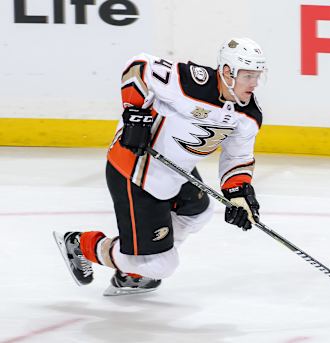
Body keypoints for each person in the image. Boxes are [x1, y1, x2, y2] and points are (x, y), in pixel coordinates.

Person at [53, 37, 267, 296]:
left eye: (258, 75)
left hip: (176, 172)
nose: (254, 83)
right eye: (247, 75)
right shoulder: (193, 82)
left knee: (199, 211)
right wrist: (136, 117)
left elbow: (236, 158)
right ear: (226, 72)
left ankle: (137, 265)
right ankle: (82, 244)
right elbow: (139, 66)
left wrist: (239, 196)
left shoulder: (248, 115)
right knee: (161, 265)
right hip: (135, 169)